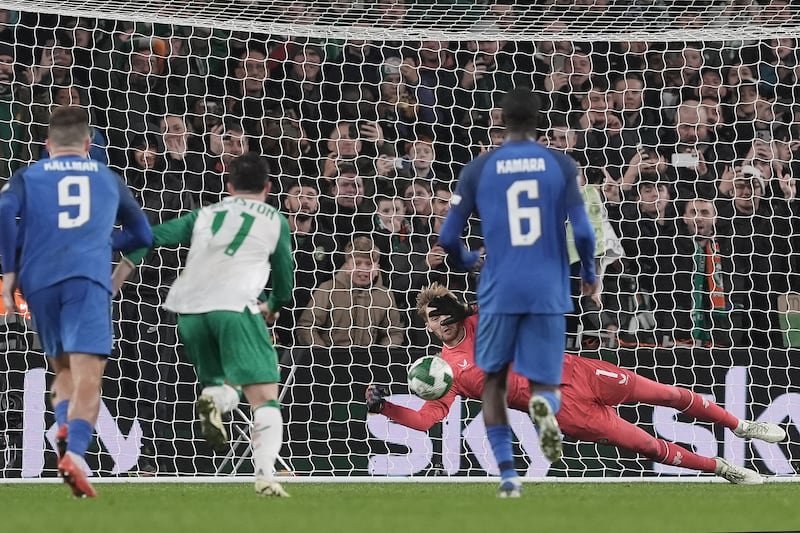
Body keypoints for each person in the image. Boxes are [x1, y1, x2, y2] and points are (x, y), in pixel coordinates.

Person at [366, 286, 785, 486]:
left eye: (446, 311)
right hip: (565, 412)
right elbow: (424, 422)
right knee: (649, 446)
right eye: (433, 317)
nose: (443, 320)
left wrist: (470, 304)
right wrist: (384, 408)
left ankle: (740, 425)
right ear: (427, 326)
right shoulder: (441, 373)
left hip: (577, 371)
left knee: (669, 394)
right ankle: (724, 469)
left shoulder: (480, 320)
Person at [438, 87, 598, 496]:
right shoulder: (560, 164)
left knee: (493, 380)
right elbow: (582, 229)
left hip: (500, 286)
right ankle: (545, 408)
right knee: (545, 380)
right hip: (547, 285)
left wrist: (467, 259)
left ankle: (508, 473)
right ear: (538, 121)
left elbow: (447, 235)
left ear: (501, 121)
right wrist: (590, 273)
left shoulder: (479, 167)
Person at [112, 152, 293, 497]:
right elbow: (285, 278)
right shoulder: (273, 219)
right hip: (235, 307)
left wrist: (118, 277)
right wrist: (273, 306)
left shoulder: (206, 214)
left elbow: (149, 237)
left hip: (189, 312)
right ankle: (266, 475)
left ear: (228, 186)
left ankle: (216, 398)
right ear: (268, 188)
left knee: (223, 380)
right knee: (265, 396)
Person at [0, 106, 153, 498]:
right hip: (85, 278)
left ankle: (66, 429)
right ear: (88, 144)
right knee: (90, 374)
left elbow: (2, 209)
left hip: (39, 282)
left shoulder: (27, 176)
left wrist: (10, 270)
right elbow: (143, 235)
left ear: (47, 145)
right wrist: (104, 243)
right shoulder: (107, 177)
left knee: (63, 368)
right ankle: (76, 454)